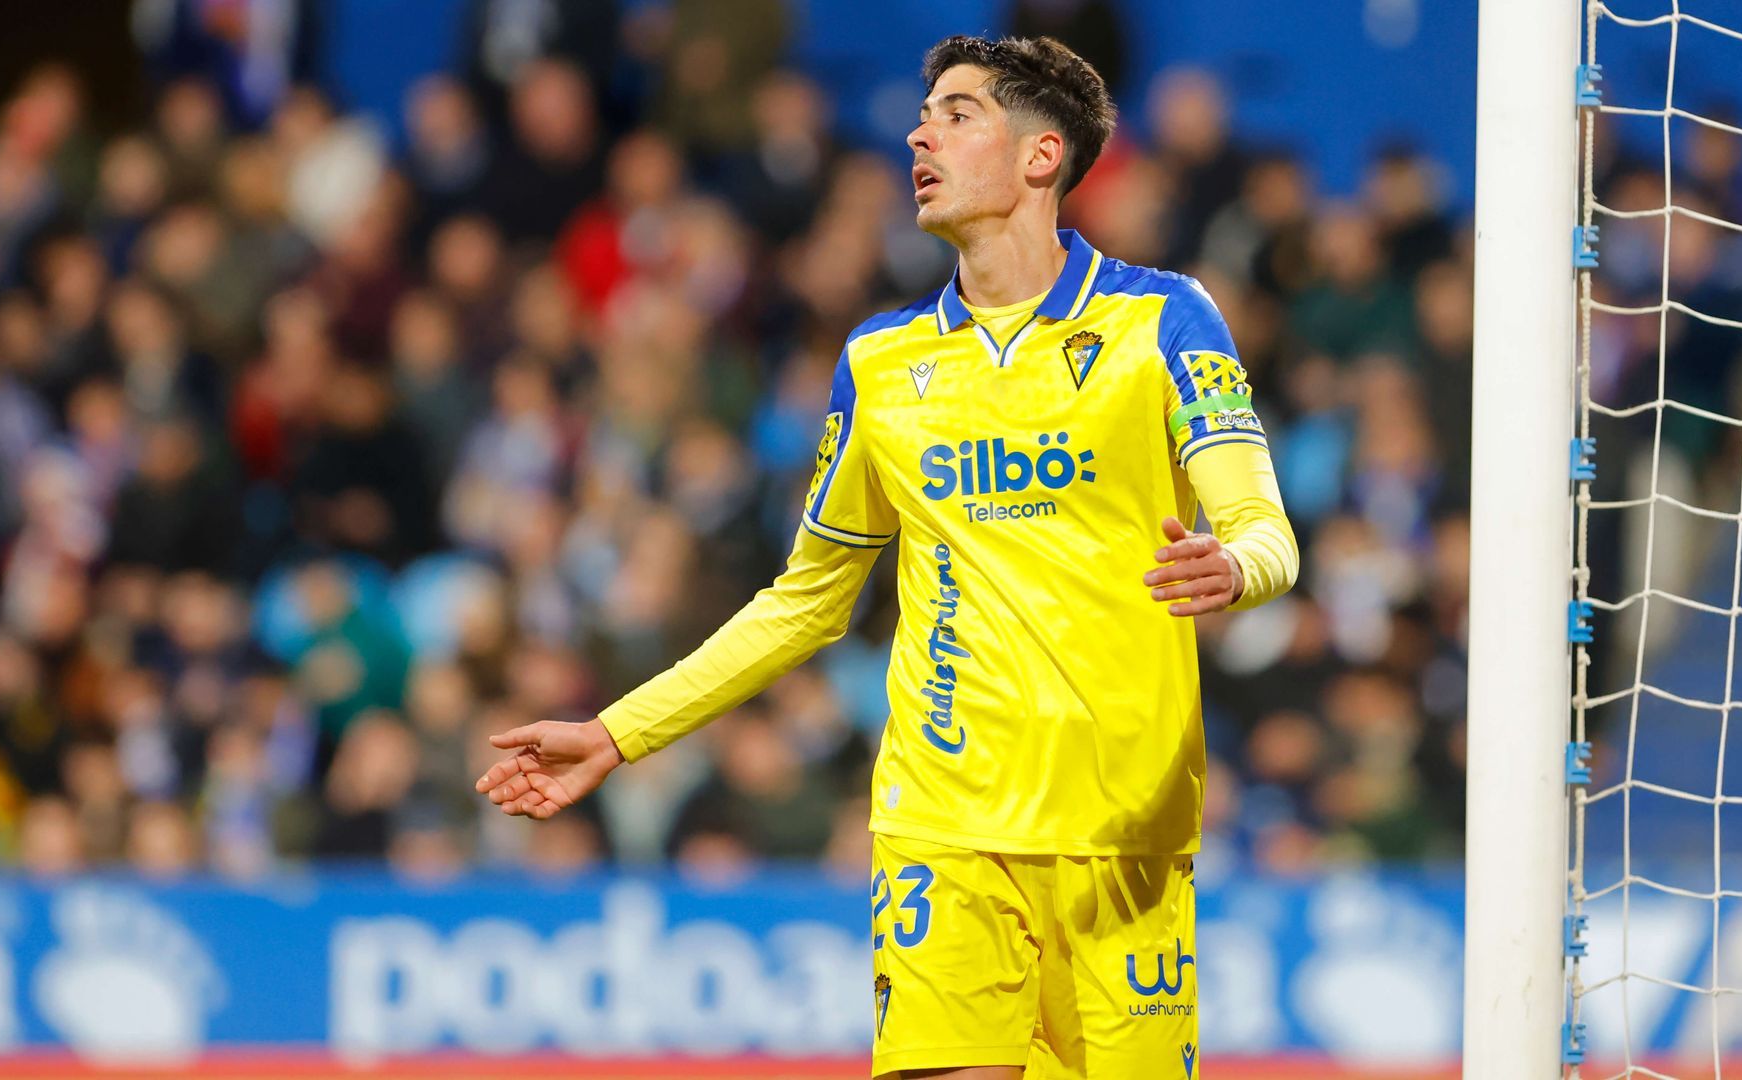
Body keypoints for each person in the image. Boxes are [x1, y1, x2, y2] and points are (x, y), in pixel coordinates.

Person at [475, 34, 1297, 1079]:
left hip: (1121, 837)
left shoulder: (1166, 322)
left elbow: (1267, 530)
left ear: (1042, 155)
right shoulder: (882, 364)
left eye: (958, 113)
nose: (920, 131)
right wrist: (618, 732)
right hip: (939, 824)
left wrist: (1235, 567)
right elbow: (805, 602)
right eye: (922, 113)